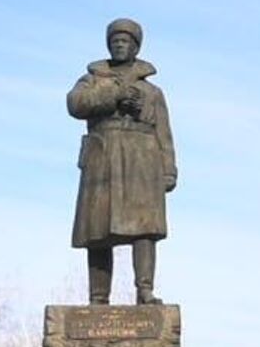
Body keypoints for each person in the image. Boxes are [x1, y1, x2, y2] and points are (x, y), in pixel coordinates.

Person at [65, 17, 178, 305]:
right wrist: (114, 94)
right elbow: (75, 104)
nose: (119, 44)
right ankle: (98, 298)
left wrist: (169, 170)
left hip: (142, 163)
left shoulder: (153, 92)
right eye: (115, 40)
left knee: (145, 228)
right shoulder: (92, 80)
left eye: (125, 41)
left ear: (135, 47)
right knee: (97, 230)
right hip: (102, 161)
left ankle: (144, 290)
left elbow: (164, 133)